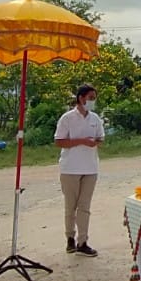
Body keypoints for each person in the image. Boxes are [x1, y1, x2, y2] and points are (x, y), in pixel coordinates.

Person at [55, 83, 105, 256]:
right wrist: (82, 141)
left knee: (85, 206)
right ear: (80, 98)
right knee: (71, 206)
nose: (92, 101)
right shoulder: (67, 118)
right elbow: (59, 141)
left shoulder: (95, 119)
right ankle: (70, 238)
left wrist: (95, 142)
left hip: (90, 168)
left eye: (94, 99)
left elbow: (101, 138)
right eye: (90, 98)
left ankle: (82, 241)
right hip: (70, 168)